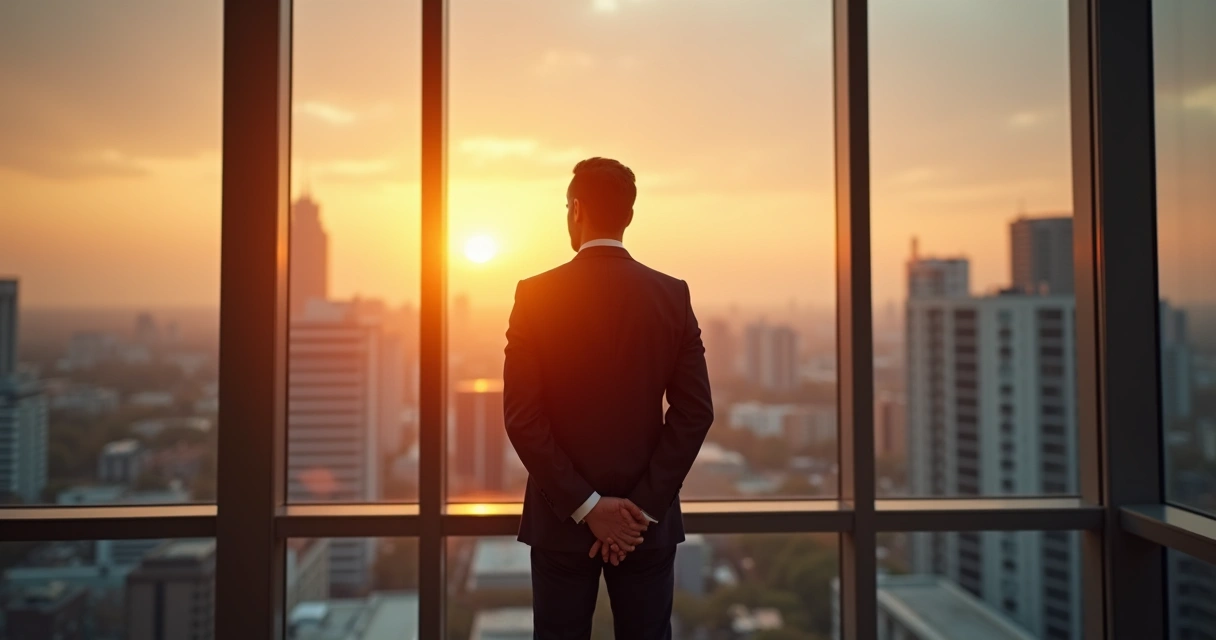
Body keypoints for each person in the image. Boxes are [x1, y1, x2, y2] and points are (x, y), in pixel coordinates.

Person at [504, 157, 715, 639]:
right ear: (629, 215)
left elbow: (522, 418)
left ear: (577, 210)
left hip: (560, 523)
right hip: (645, 528)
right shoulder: (672, 295)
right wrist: (639, 511)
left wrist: (586, 506)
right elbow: (695, 413)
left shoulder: (535, 295)